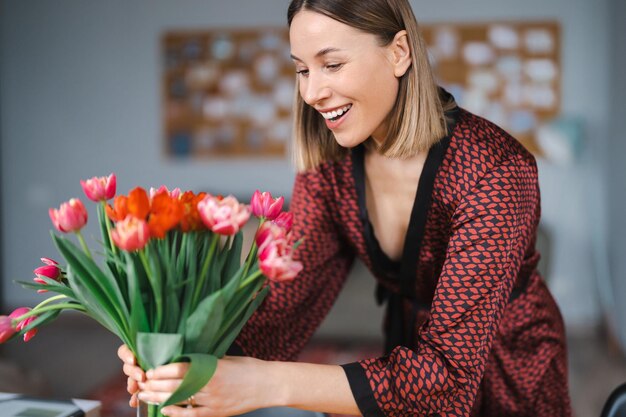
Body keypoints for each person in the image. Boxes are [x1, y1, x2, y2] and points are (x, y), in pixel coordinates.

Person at [119, 0, 572, 415]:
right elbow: (285, 313)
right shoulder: (330, 168)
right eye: (301, 71)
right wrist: (184, 361)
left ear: (399, 52)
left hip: (511, 374)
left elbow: (448, 380)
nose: (313, 92)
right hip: (408, 366)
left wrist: (268, 383)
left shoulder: (494, 170)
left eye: (332, 64)